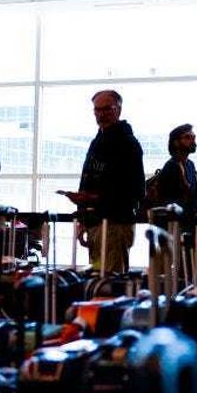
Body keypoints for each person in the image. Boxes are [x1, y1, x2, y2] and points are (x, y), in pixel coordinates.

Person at [60, 90, 145, 273]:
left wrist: (93, 198)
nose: (101, 114)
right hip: (97, 222)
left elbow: (135, 190)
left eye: (107, 109)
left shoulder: (128, 144)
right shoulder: (98, 140)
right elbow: (89, 178)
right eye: (97, 110)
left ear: (118, 110)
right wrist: (84, 217)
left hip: (115, 223)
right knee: (99, 277)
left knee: (110, 281)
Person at [156, 123, 197, 221]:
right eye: (187, 137)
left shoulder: (190, 165)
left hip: (187, 222)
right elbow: (166, 200)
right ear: (176, 142)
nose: (193, 141)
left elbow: (194, 198)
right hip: (173, 223)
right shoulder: (171, 166)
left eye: (193, 137)